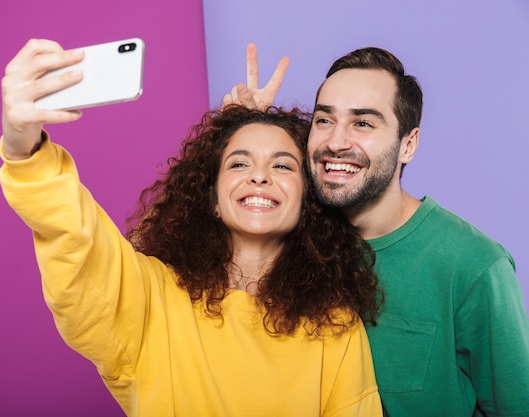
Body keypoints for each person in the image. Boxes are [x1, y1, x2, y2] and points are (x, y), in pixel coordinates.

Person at [0, 39, 385, 417]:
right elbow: (77, 236)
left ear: (308, 202)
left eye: (282, 165)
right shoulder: (150, 300)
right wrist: (23, 149)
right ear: (212, 200)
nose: (260, 177)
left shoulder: (335, 325)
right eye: (238, 163)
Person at [226, 44, 529, 416]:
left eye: (363, 123)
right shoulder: (287, 234)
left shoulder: (473, 266)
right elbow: (156, 274)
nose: (336, 143)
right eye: (324, 120)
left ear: (408, 145)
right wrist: (241, 136)